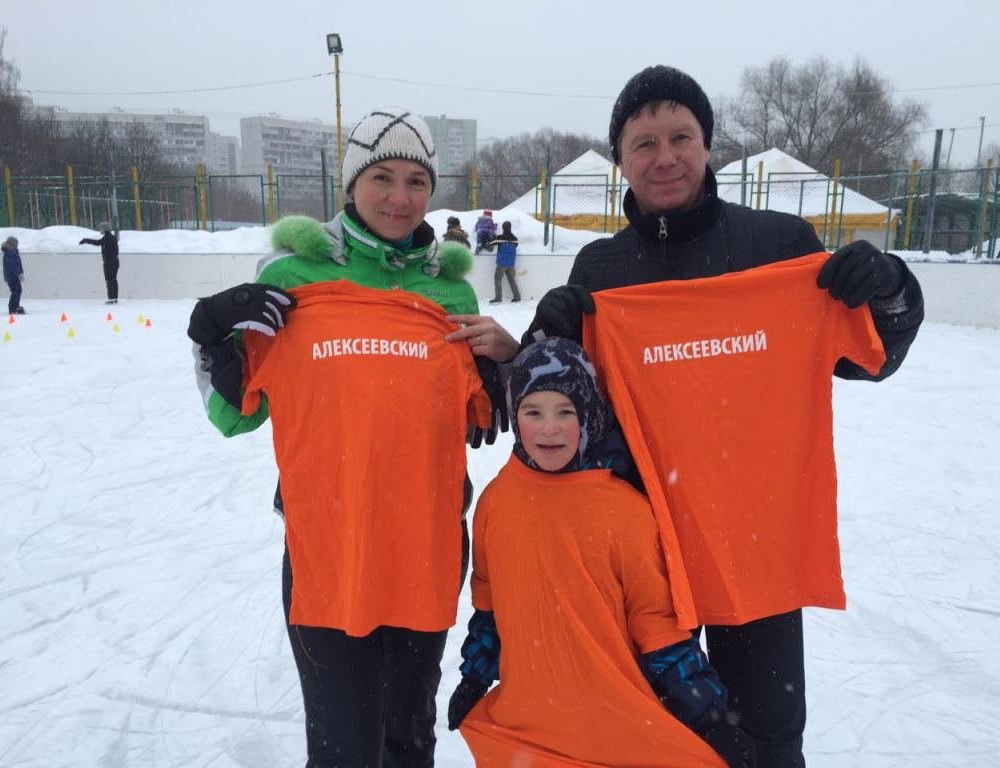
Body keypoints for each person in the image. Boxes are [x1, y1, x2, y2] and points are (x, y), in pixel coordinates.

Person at [524, 65, 924, 768]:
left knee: (764, 741)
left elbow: (870, 359)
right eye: (644, 143)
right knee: (646, 737)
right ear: (620, 157)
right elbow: (556, 406)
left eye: (682, 136)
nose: (665, 156)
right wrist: (544, 334)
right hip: (639, 546)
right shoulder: (601, 266)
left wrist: (891, 291)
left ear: (708, 146)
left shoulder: (780, 246)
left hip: (755, 546)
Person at [186, 106, 517, 768]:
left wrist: (508, 364)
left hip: (425, 546)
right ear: (350, 185)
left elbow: (491, 417)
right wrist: (209, 338)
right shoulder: (292, 281)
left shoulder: (451, 294)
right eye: (383, 178)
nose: (400, 198)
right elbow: (233, 416)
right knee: (342, 747)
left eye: (417, 181)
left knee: (407, 739)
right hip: (329, 551)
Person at [447, 337, 755, 768]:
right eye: (533, 412)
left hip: (613, 727)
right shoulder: (496, 502)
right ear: (515, 417)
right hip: (530, 729)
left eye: (565, 412)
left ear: (589, 416)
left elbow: (659, 628)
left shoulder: (626, 512)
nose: (548, 428)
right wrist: (475, 675)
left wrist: (711, 717)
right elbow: (491, 608)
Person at [79, 221, 120, 304]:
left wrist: (86, 240)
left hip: (109, 262)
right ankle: (114, 298)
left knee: (109, 280)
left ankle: (111, 299)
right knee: (113, 280)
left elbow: (98, 243)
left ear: (104, 229)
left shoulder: (107, 238)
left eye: (101, 229)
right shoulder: (111, 237)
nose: (100, 231)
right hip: (115, 261)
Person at [488, 221, 521, 304]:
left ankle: (498, 298)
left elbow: (490, 243)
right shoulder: (515, 239)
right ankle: (517, 297)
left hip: (501, 263)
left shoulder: (500, 238)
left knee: (497, 279)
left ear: (503, 228)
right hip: (510, 263)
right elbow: (516, 246)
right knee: (512, 280)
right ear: (510, 228)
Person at [2, 236, 25, 315]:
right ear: (11, 245)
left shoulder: (13, 252)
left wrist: (20, 272)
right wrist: (18, 274)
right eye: (16, 244)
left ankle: (15, 306)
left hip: (14, 276)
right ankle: (12, 308)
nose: (17, 246)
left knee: (17, 291)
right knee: (16, 291)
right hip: (11, 276)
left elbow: (18, 263)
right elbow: (12, 266)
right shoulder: (9, 253)